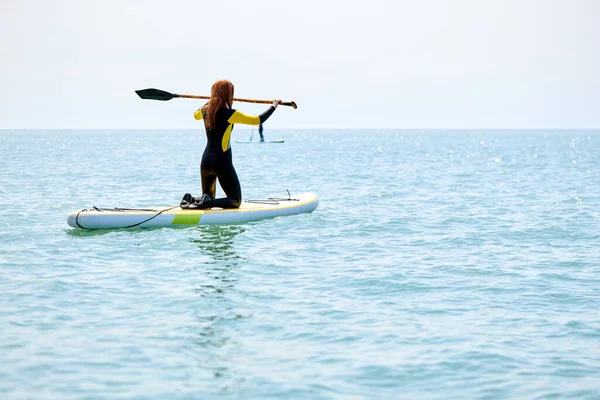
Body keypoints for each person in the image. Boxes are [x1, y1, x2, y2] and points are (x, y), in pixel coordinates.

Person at [180, 79, 280, 210]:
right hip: (221, 162)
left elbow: (195, 115)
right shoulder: (230, 114)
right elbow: (257, 120)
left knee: (209, 196)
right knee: (235, 200)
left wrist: (208, 102)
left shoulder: (205, 110)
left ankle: (189, 199)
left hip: (205, 161)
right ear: (229, 95)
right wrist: (273, 106)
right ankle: (206, 203)